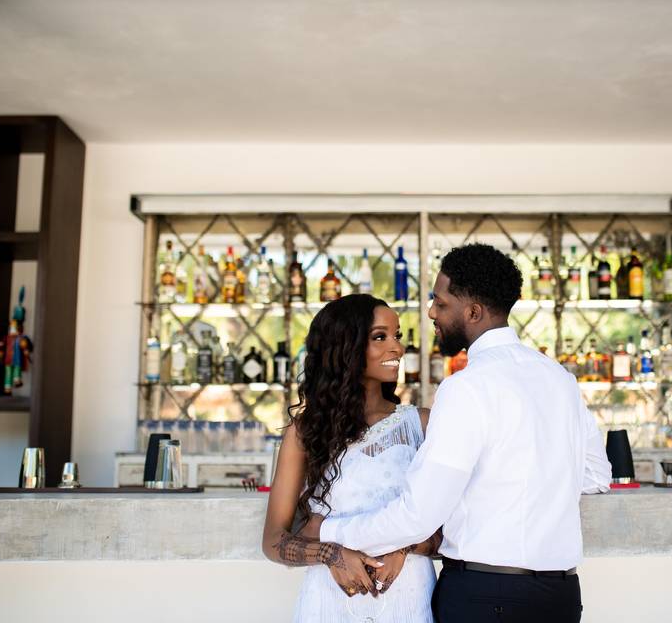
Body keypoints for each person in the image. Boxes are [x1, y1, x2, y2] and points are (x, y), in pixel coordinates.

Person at [312, 243, 613, 622]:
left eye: (440, 303)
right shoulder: (559, 378)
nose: (431, 312)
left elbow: (417, 517)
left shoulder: (466, 387)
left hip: (486, 597)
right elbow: (597, 476)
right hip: (560, 596)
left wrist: (328, 532)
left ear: (472, 312)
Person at [261, 294, 441, 622]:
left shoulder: (423, 425)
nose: (397, 348)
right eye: (380, 337)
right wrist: (331, 553)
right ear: (346, 346)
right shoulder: (306, 432)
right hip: (328, 600)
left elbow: (451, 533)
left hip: (407, 596)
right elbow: (274, 541)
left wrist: (404, 547)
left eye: (397, 336)